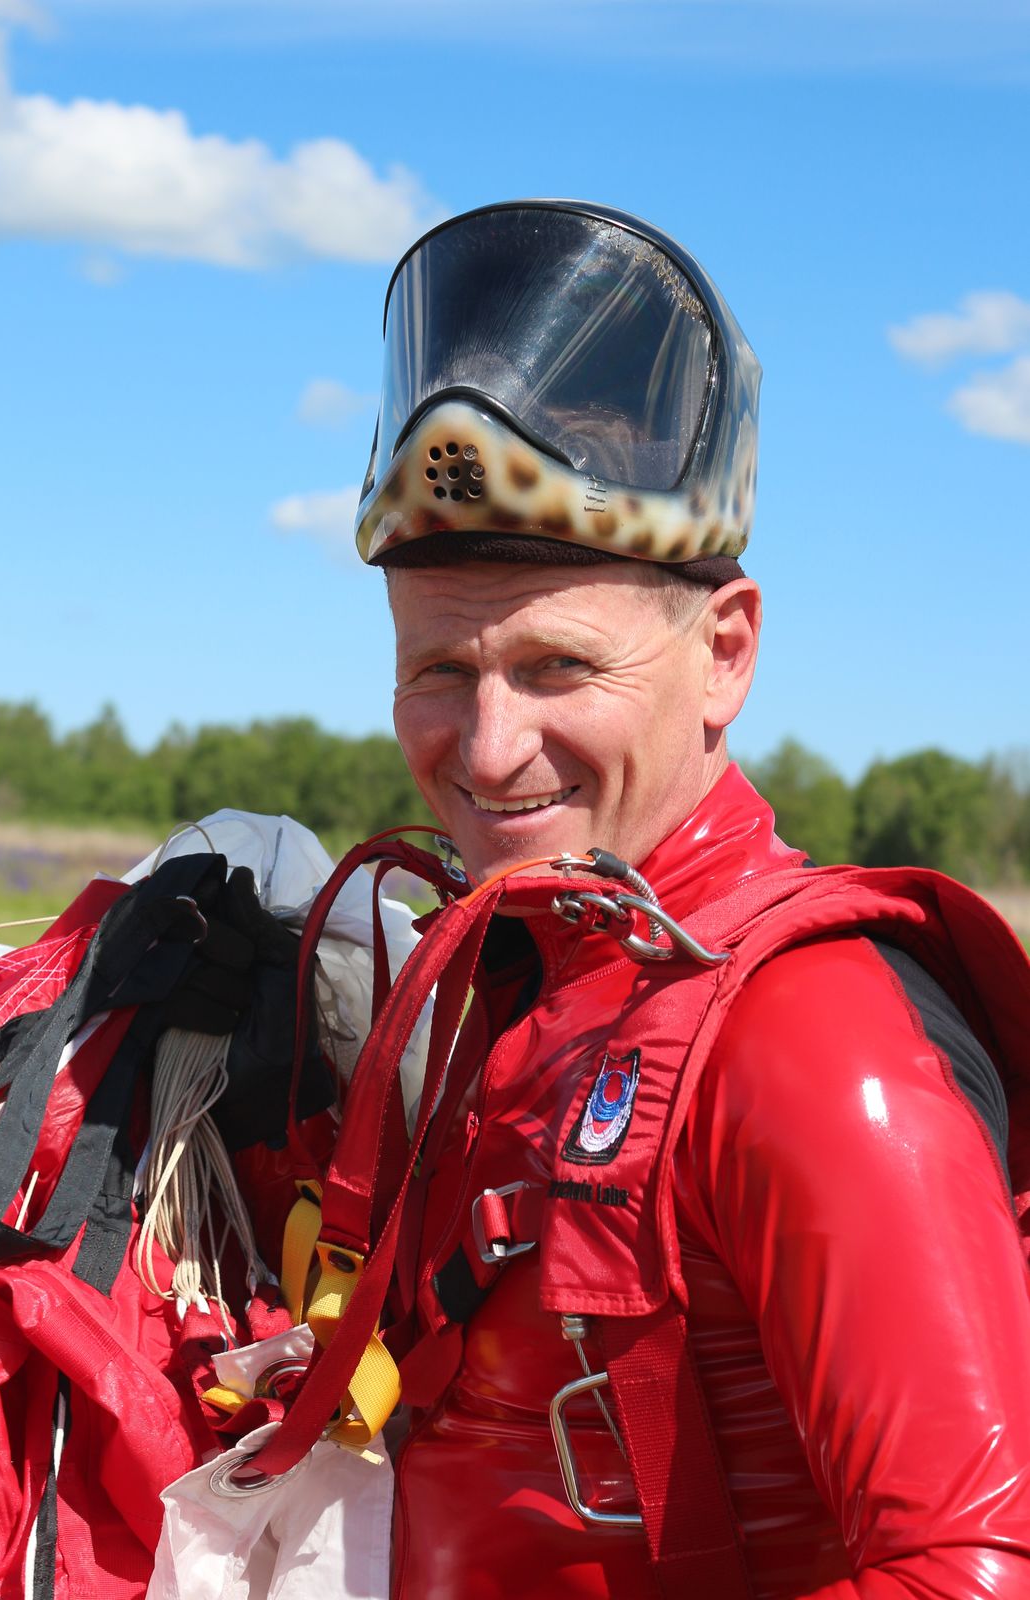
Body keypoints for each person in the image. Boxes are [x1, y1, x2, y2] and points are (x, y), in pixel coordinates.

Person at [349, 201, 1030, 1597]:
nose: (488, 750)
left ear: (725, 654)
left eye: (557, 669)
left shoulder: (809, 1031)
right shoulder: (522, 983)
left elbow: (977, 1567)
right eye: (440, 673)